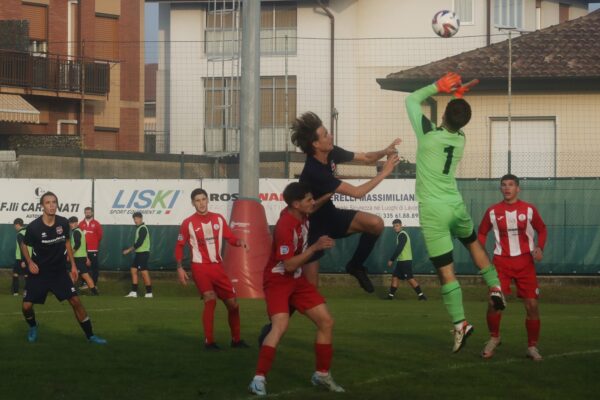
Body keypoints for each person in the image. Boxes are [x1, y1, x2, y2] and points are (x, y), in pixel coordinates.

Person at [405, 72, 505, 353]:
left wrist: (437, 87)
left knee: (445, 271)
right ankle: (494, 286)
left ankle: (460, 324)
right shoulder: (460, 138)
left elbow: (412, 99)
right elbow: (456, 121)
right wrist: (456, 101)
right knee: (473, 243)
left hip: (434, 210)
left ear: (445, 114)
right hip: (455, 204)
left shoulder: (429, 136)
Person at [248, 182, 344, 396]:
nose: (312, 202)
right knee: (280, 326)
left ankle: (321, 375)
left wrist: (333, 188)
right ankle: (258, 379)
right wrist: (315, 247)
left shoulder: (301, 213)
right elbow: (289, 265)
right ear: (295, 204)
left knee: (326, 321)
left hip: (297, 280)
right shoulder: (285, 226)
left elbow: (315, 205)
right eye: (308, 199)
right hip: (278, 280)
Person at [292, 111, 401, 292]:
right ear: (316, 144)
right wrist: (384, 173)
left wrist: (384, 151)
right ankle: (279, 319)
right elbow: (358, 193)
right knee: (311, 292)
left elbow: (366, 157)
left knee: (376, 224)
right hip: (312, 226)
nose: (331, 136)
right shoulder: (314, 171)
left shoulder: (332, 152)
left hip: (330, 215)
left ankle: (355, 266)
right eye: (326, 134)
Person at [19, 192, 106, 344]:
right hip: (39, 272)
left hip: (59, 271)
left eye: (54, 202)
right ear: (42, 206)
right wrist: (29, 262)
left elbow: (66, 242)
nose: (51, 205)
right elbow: (24, 244)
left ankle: (91, 335)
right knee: (26, 306)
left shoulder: (63, 223)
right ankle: (33, 326)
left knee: (76, 301)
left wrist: (72, 265)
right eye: (48, 202)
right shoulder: (34, 227)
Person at [478, 174, 547, 361]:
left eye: (511, 185)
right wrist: (481, 254)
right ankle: (494, 337)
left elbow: (542, 229)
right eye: (503, 185)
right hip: (501, 263)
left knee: (532, 306)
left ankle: (532, 347)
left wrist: (540, 247)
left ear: (518, 188)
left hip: (525, 263)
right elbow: (482, 233)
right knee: (494, 303)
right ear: (500, 189)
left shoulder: (529, 209)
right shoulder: (492, 211)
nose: (507, 188)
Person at [175, 188, 249, 350]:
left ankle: (236, 340)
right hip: (199, 267)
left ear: (208, 200)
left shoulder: (219, 219)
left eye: (203, 199)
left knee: (234, 305)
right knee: (210, 299)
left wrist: (239, 242)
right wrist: (180, 268)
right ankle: (209, 341)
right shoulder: (188, 223)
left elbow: (230, 237)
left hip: (218, 268)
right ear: (193, 203)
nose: (201, 203)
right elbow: (179, 246)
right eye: (197, 200)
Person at [385, 219, 427, 301]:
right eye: (394, 226)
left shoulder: (402, 235)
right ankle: (390, 296)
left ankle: (421, 296)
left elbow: (399, 248)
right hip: (401, 261)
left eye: (397, 226)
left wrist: (391, 259)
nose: (395, 228)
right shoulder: (400, 235)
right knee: (395, 277)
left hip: (405, 261)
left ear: (401, 226)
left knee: (410, 278)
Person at [122, 212, 153, 298]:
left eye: (137, 218)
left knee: (144, 272)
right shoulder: (139, 228)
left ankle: (149, 292)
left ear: (141, 218)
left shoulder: (143, 228)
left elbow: (139, 243)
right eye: (134, 219)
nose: (135, 220)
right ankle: (134, 292)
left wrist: (128, 250)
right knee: (133, 270)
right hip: (139, 253)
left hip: (143, 253)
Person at [68, 217, 99, 296]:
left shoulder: (76, 232)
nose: (70, 225)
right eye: (70, 223)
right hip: (82, 257)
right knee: (84, 275)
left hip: (77, 257)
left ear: (76, 223)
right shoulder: (80, 231)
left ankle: (72, 291)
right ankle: (94, 292)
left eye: (72, 223)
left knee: (73, 274)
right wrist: (86, 257)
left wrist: (70, 254)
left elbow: (78, 244)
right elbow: (85, 245)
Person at [79, 207, 103, 286]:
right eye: (86, 212)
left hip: (93, 250)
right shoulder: (81, 224)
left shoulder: (96, 223)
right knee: (84, 268)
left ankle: (94, 284)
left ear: (92, 213)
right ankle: (84, 284)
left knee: (94, 268)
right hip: (83, 251)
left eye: (89, 212)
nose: (88, 213)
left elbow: (100, 236)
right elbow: (78, 236)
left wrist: (93, 243)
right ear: (84, 213)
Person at [12, 218, 30, 296]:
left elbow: (22, 247)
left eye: (14, 226)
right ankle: (26, 292)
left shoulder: (20, 234)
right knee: (26, 274)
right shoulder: (28, 232)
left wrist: (23, 260)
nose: (14, 227)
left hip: (21, 258)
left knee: (16, 274)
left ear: (17, 225)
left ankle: (16, 292)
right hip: (29, 257)